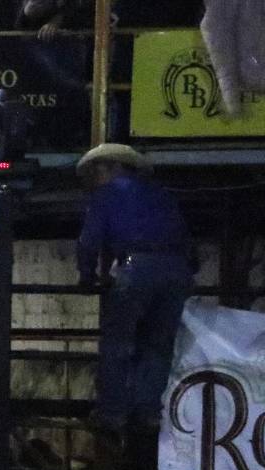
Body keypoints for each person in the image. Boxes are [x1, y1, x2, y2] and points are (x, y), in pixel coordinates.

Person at [75, 143, 193, 434]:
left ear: (109, 167)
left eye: (96, 171)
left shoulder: (106, 195)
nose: (94, 178)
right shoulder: (162, 194)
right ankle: (148, 410)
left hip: (135, 266)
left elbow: (89, 240)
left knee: (118, 343)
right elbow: (188, 241)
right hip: (176, 269)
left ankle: (113, 412)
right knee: (158, 345)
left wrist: (87, 275)